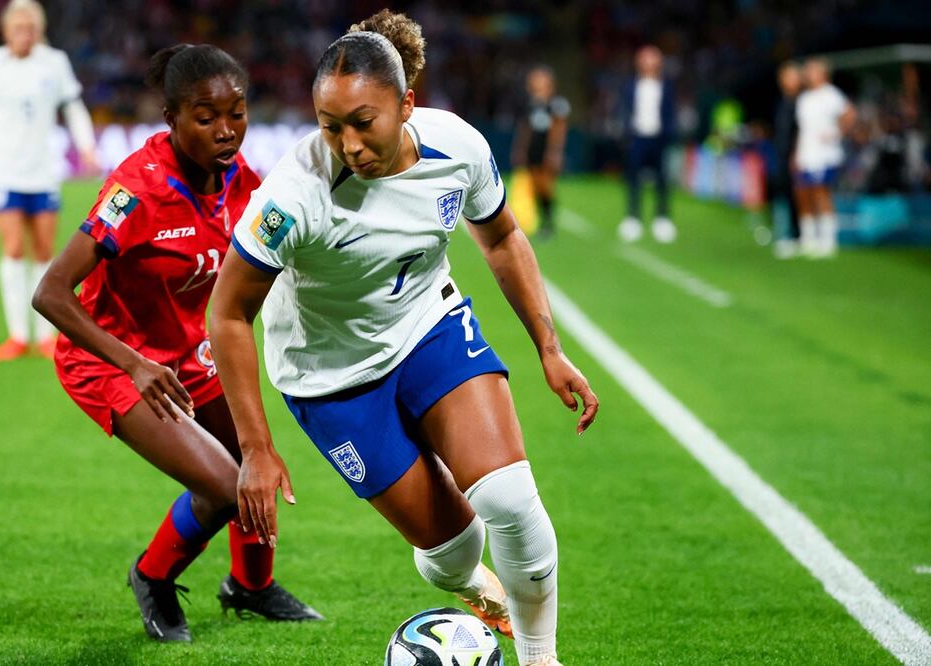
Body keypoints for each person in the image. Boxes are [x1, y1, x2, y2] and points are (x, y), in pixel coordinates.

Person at [208, 11, 599, 666]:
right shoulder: (294, 195)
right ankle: (466, 579)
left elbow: (501, 237)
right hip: (329, 378)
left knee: (509, 500)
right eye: (330, 126)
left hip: (427, 327)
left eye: (364, 122)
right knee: (452, 553)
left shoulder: (456, 147)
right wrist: (254, 447)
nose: (349, 143)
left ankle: (541, 658)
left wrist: (549, 348)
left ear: (406, 104)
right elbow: (226, 314)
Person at [31, 43, 322, 643]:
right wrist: (134, 364)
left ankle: (250, 586)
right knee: (221, 487)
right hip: (112, 359)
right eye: (206, 115)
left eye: (236, 113)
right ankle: (152, 576)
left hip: (189, 353)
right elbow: (52, 293)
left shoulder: (243, 182)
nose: (226, 130)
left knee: (252, 464)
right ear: (172, 118)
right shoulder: (135, 191)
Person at [0, 0, 98, 361]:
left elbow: (73, 106)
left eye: (30, 28)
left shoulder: (54, 63)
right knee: (13, 247)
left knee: (46, 250)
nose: (24, 35)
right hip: (1, 171)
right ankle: (17, 334)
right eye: (18, 28)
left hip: (43, 171)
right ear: (6, 31)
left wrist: (87, 147)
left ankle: (45, 335)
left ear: (39, 30)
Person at [794, 58, 855, 258]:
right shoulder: (804, 98)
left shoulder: (831, 94)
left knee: (821, 192)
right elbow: (802, 130)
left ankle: (828, 240)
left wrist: (837, 132)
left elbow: (849, 113)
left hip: (824, 154)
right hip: (806, 153)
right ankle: (808, 238)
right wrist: (796, 153)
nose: (808, 74)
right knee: (803, 193)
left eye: (812, 70)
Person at [617, 45, 677, 244]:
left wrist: (668, 133)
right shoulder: (630, 85)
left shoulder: (666, 85)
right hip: (637, 137)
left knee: (662, 179)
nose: (648, 63)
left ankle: (662, 218)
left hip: (659, 138)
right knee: (633, 178)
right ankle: (633, 217)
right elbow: (624, 110)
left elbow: (670, 112)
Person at [512, 65, 570, 240]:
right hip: (533, 151)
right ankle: (541, 221)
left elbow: (559, 130)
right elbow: (525, 129)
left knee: (546, 186)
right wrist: (520, 149)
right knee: (535, 186)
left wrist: (555, 152)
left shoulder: (557, 104)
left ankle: (548, 221)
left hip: (546, 151)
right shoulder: (532, 104)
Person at [771, 61, 802, 258]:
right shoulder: (782, 102)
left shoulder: (802, 103)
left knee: (796, 196)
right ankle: (784, 232)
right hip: (781, 155)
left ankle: (797, 234)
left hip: (796, 156)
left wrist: (796, 153)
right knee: (783, 193)